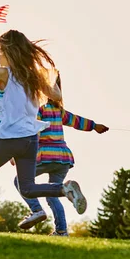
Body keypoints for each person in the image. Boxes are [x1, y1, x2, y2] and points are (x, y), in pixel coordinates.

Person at [0, 29, 87, 231]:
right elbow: (57, 95)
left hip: (11, 139)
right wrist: (48, 77)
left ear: (8, 51)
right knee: (27, 187)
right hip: (31, 140)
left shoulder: (6, 73)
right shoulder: (33, 77)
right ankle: (64, 189)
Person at [13, 72, 109, 236]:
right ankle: (62, 230)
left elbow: (33, 133)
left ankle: (37, 210)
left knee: (20, 180)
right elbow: (77, 120)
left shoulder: (38, 109)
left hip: (46, 155)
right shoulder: (59, 110)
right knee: (53, 193)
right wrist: (94, 126)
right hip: (63, 158)